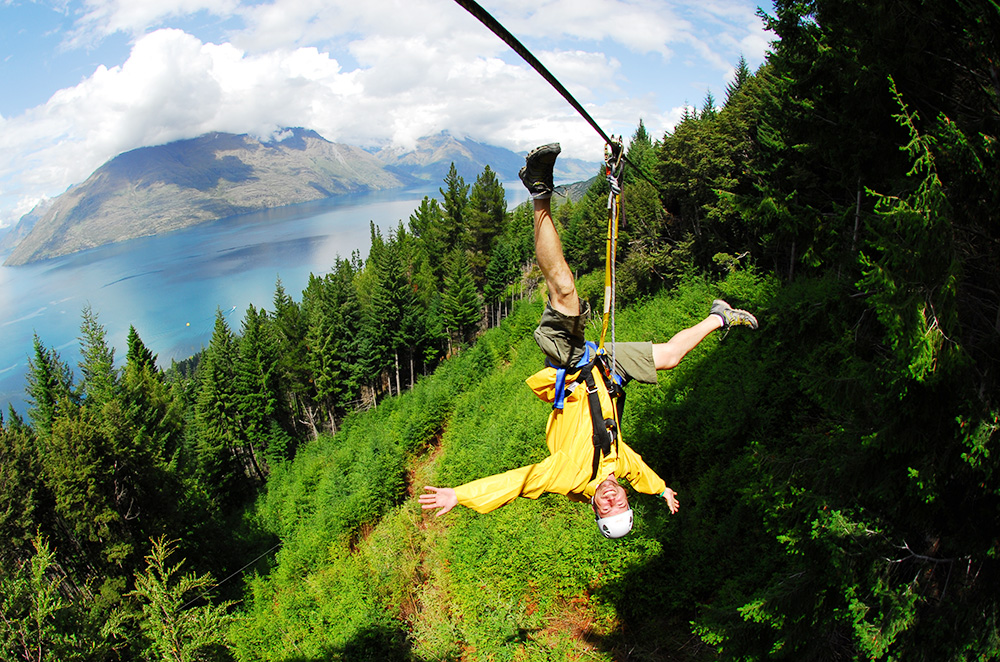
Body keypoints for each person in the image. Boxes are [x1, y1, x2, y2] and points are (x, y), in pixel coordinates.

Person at [419, 143, 758, 538]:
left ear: (594, 508)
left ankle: (538, 190)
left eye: (608, 506)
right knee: (670, 356)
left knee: (565, 292)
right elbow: (640, 470)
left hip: (574, 366)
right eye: (622, 502)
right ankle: (720, 315)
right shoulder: (621, 471)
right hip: (608, 371)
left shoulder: (567, 476)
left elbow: (518, 481)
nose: (614, 497)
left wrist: (460, 496)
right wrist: (661, 489)